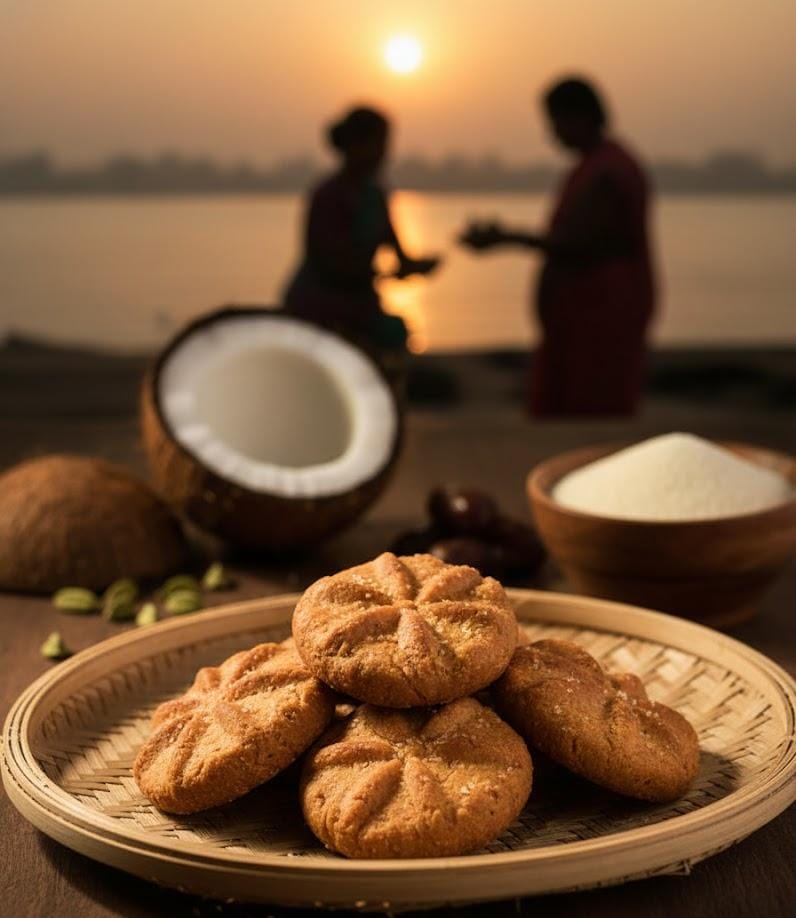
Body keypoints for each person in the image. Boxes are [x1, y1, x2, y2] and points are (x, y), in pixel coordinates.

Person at [460, 77, 656, 416]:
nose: (552, 133)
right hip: (582, 318)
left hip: (600, 315)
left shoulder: (609, 171)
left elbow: (580, 245)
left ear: (579, 116)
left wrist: (506, 238)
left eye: (555, 122)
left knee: (591, 415)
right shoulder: (594, 167)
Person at [283, 105, 439, 358]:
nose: (383, 154)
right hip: (319, 307)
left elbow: (397, 252)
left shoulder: (376, 196)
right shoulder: (328, 196)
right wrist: (378, 274)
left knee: (394, 336)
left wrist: (413, 266)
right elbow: (326, 262)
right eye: (377, 145)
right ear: (354, 145)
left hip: (361, 307)